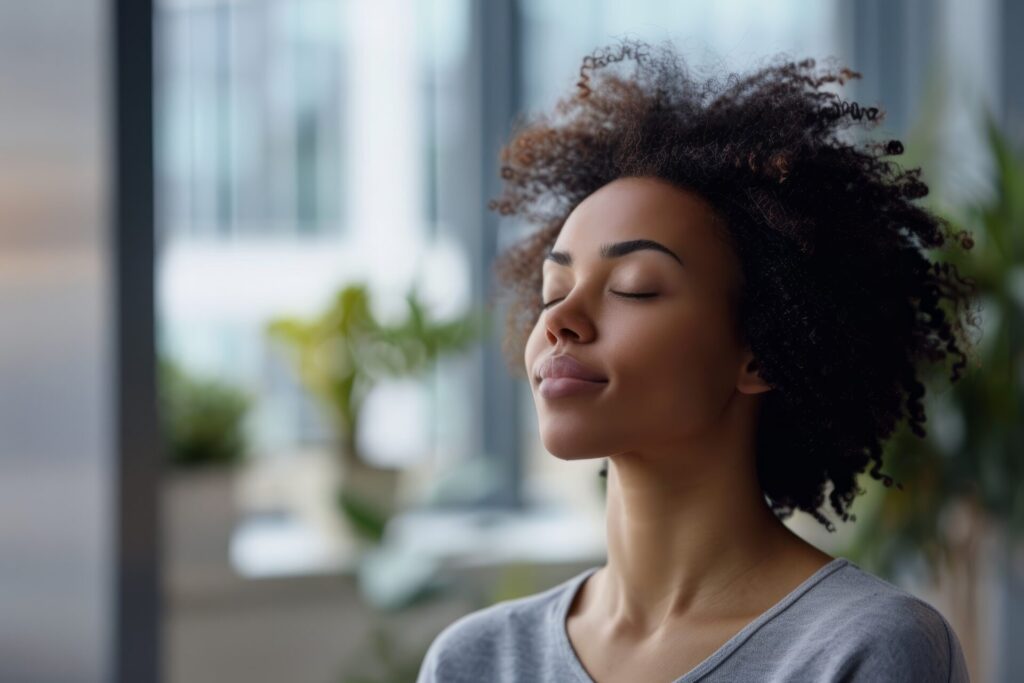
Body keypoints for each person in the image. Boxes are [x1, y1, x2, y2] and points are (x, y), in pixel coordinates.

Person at [417, 38, 977, 682]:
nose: (558, 320)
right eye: (552, 290)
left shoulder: (864, 649)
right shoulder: (475, 660)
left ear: (761, 352)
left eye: (635, 287)